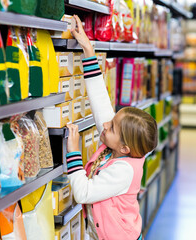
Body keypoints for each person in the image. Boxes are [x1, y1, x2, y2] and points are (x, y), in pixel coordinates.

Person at [66, 15, 158, 240]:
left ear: (125, 148)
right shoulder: (117, 144)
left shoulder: (124, 170)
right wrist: (88, 51)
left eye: (112, 127)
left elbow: (83, 193)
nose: (105, 125)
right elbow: (101, 102)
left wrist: (73, 152)